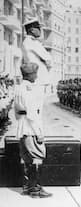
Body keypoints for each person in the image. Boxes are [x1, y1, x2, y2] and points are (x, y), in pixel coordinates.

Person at [14, 63, 52, 198]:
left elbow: (17, 111)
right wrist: (39, 132)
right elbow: (32, 113)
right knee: (37, 157)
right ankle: (35, 189)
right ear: (30, 75)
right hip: (31, 128)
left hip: (22, 127)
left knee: (26, 158)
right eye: (35, 73)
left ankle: (27, 187)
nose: (36, 76)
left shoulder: (19, 88)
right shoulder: (29, 89)